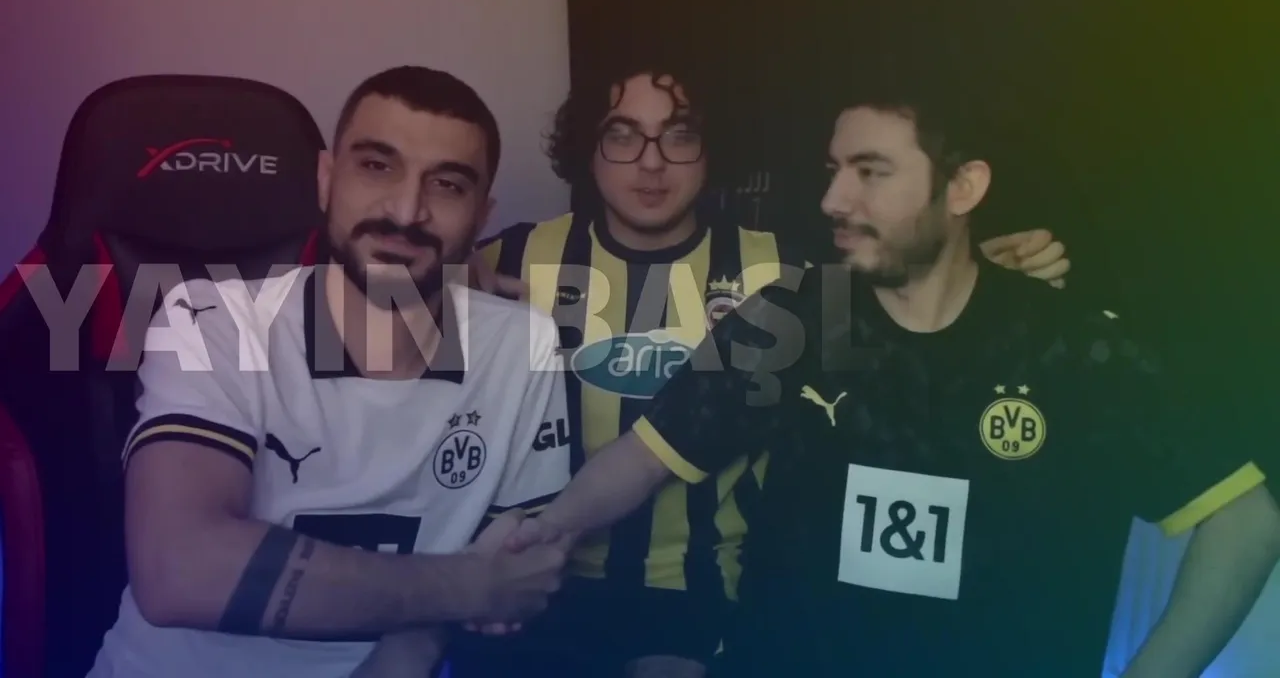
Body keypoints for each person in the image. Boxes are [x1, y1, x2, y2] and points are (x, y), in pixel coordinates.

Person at [499, 75, 1280, 677]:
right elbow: (642, 459)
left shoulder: (1070, 347)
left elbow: (1245, 521)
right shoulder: (801, 317)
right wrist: (534, 538)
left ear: (963, 187)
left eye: (870, 172)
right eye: (833, 170)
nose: (834, 198)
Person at [455, 59, 1073, 677]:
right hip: (536, 585)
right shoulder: (507, 258)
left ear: (711, 148)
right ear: (587, 148)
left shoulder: (787, 276)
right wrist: (447, 282)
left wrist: (982, 269)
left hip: (700, 595)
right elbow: (403, 345)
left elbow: (906, 307)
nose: (651, 162)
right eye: (622, 135)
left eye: (680, 135)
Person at [86, 66, 572, 678]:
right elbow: (178, 571)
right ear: (325, 180)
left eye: (447, 185)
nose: (406, 211)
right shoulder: (211, 321)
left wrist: (408, 650)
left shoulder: (521, 344)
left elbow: (517, 570)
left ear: (481, 216)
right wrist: (470, 587)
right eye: (376, 166)